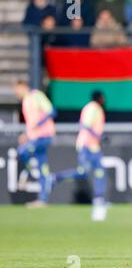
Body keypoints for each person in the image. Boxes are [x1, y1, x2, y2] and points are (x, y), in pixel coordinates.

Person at [49, 91, 109, 222]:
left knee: (99, 172)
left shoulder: (92, 108)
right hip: (87, 146)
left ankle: (99, 199)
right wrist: (99, 136)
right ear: (99, 98)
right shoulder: (93, 108)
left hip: (92, 146)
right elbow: (84, 125)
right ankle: (56, 177)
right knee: (85, 172)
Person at [14, 80, 56, 208]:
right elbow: (31, 123)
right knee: (43, 167)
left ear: (23, 87)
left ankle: (27, 175)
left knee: (22, 152)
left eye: (17, 90)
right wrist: (26, 134)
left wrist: (38, 125)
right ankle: (42, 200)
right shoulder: (25, 101)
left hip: (43, 136)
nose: (16, 93)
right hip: (34, 137)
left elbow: (52, 111)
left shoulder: (35, 95)